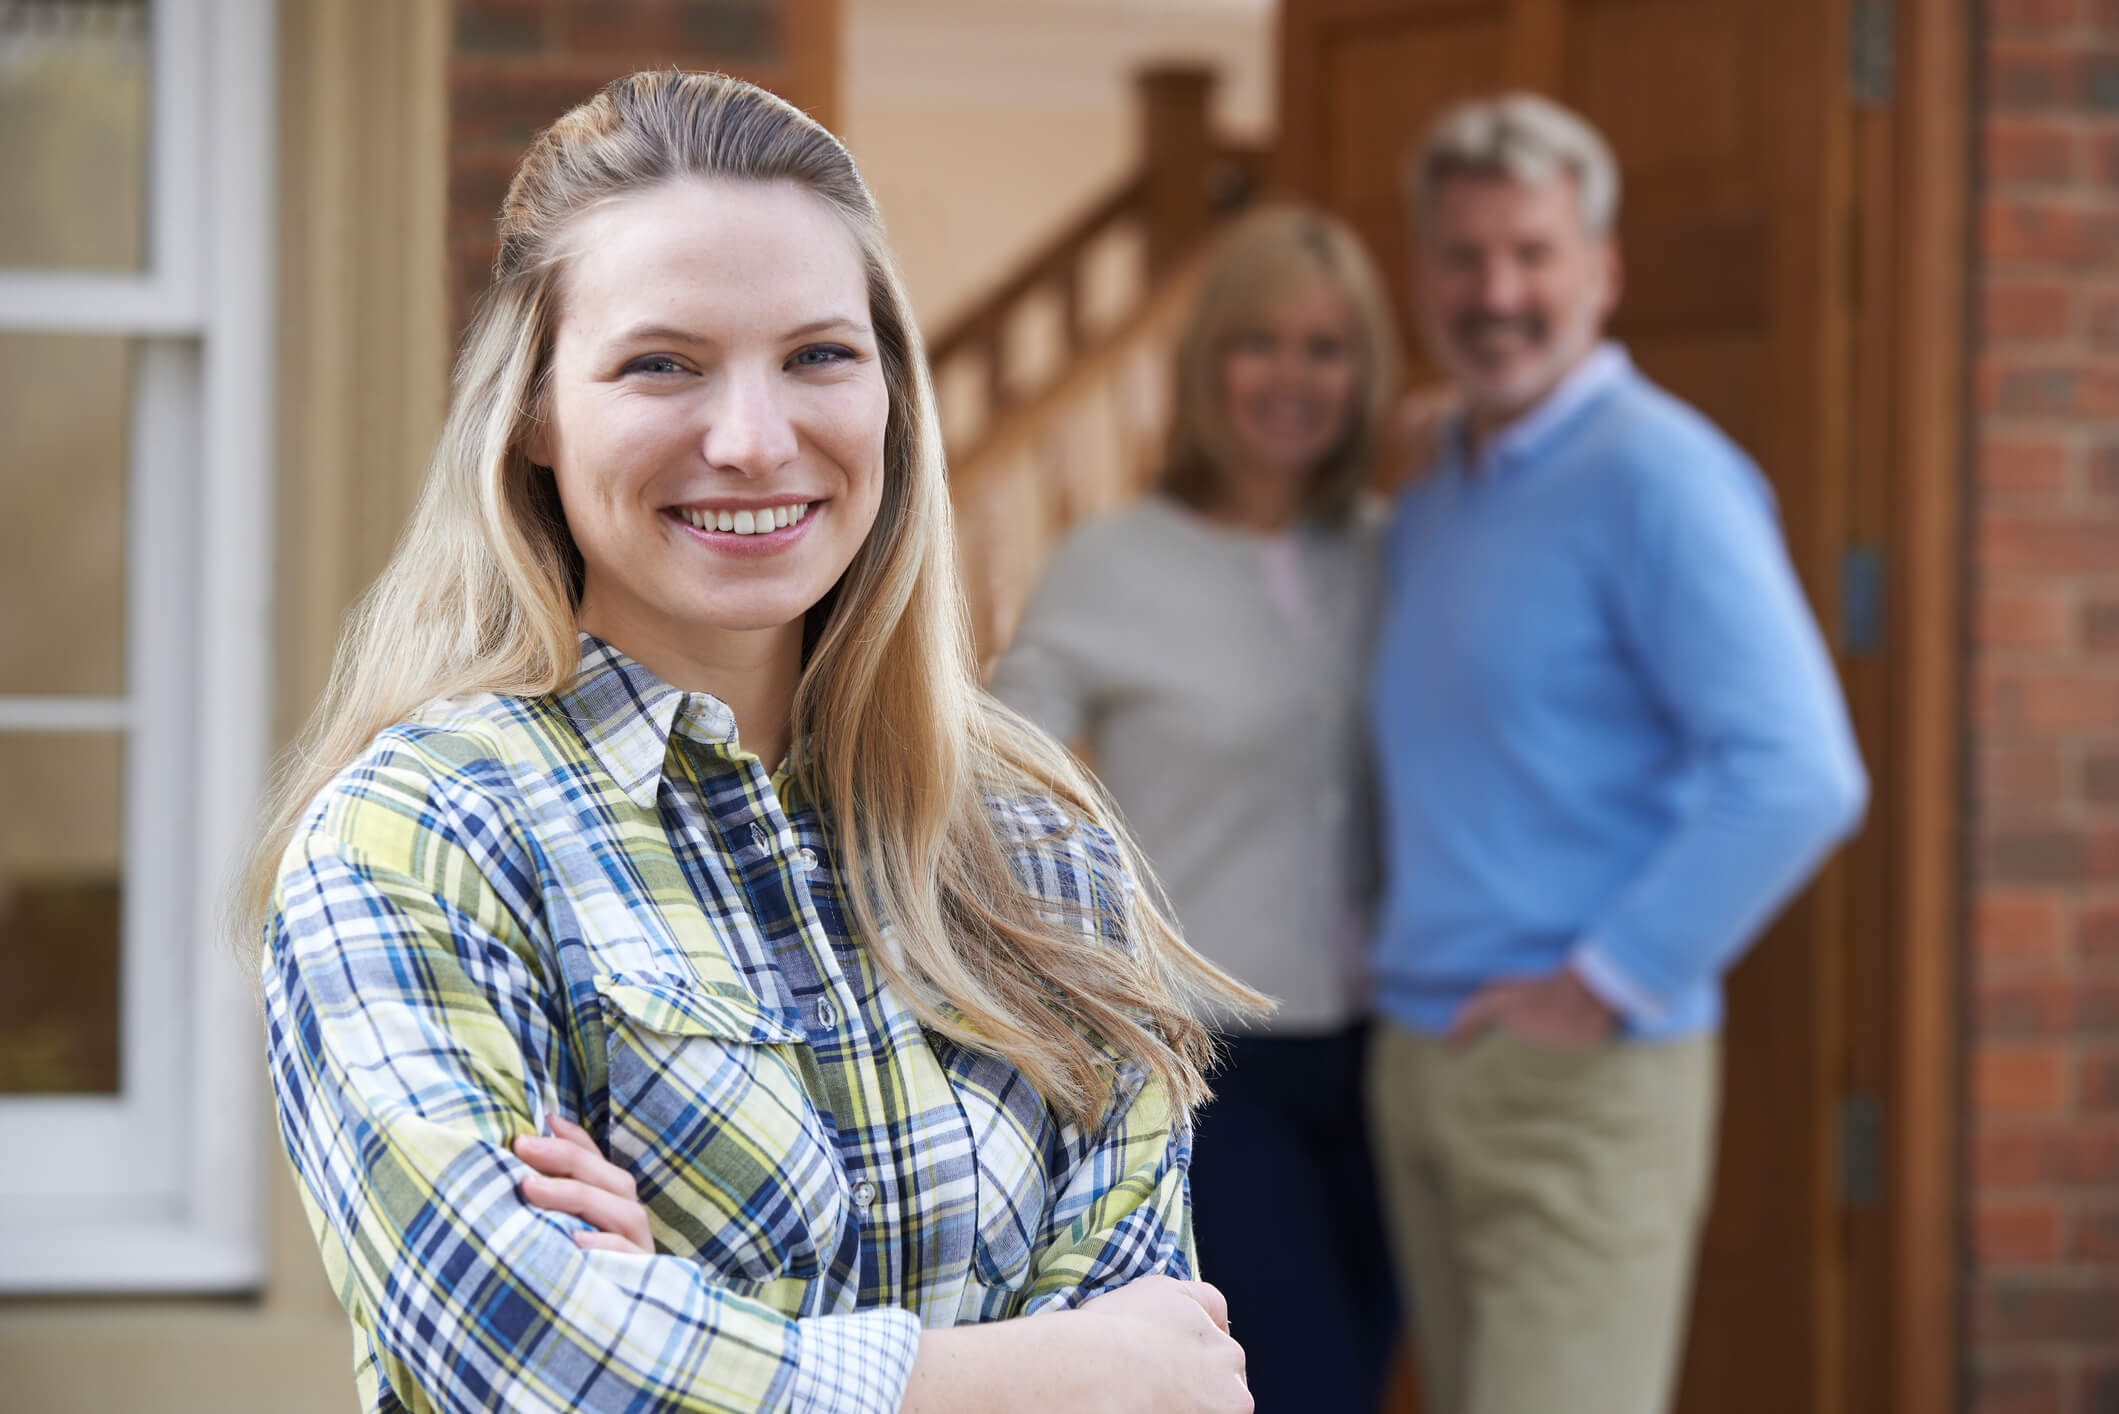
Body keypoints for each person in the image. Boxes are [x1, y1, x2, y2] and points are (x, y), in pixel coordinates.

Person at [244, 70, 1263, 1414]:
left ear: (891, 394)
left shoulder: (1041, 850)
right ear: (536, 411)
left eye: (816, 356)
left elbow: (1159, 1387)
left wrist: (684, 1326)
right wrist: (1027, 1371)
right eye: (660, 363)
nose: (750, 437)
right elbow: (514, 1354)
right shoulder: (421, 842)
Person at [1366, 94, 1870, 1414]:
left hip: (1571, 1079)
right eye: (1462, 257)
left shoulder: (1661, 477)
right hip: (1418, 1060)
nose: (1496, 291)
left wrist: (1597, 983)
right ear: (1420, 275)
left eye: (1532, 254)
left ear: (1601, 271)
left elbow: (1798, 771)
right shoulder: (1440, 489)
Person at [988, 204, 1404, 1414]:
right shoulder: (1111, 563)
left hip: (1397, 1058)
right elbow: (986, 767)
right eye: (1260, 341)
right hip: (1213, 1065)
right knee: (1291, 1385)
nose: (1293, 376)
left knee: (1364, 1375)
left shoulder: (1395, 552)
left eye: (1327, 348)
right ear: (1208, 361)